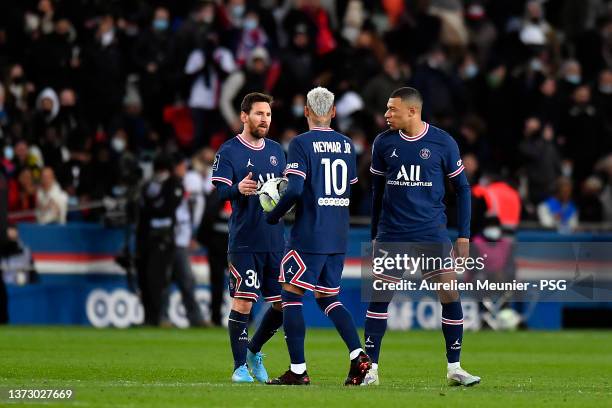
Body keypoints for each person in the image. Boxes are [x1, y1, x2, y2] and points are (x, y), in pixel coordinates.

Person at [364, 87, 480, 386]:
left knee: (450, 294)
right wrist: (374, 233)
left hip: (432, 233)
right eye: (387, 109)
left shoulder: (442, 142)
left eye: (393, 110)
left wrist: (463, 237)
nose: (387, 114)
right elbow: (376, 191)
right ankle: (370, 370)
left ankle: (455, 367)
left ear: (412, 111)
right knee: (380, 297)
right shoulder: (383, 142)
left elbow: (463, 190)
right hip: (392, 233)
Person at [265, 87, 371, 386]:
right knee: (328, 298)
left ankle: (297, 370)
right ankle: (357, 355)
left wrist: (273, 215)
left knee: (290, 295)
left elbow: (296, 189)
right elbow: (351, 186)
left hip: (310, 232)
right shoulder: (347, 144)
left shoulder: (300, 143)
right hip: (338, 233)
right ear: (334, 112)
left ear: (307, 111)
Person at [211, 92, 286, 383]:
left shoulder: (278, 150)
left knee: (282, 304)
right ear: (244, 116)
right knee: (243, 302)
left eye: (267, 114)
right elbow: (221, 192)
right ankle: (239, 367)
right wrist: (237, 189)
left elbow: (283, 187)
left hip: (275, 240)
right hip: (244, 240)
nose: (264, 119)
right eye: (259, 114)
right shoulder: (229, 151)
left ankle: (254, 350)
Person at [136, 153, 184, 326]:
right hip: (146, 237)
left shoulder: (174, 184)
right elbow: (143, 210)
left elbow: (167, 208)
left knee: (155, 278)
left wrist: (150, 205)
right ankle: (148, 316)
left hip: (163, 238)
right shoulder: (148, 185)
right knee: (144, 278)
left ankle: (156, 317)